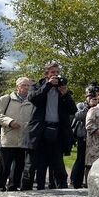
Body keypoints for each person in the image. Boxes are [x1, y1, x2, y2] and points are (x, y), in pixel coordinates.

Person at [25, 62, 77, 190]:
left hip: (57, 131)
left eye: (57, 72)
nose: (56, 75)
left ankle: (62, 189)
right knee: (33, 163)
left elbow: (72, 110)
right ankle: (27, 189)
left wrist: (65, 94)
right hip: (40, 131)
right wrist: (48, 85)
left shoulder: (63, 89)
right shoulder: (37, 86)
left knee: (58, 164)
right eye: (53, 73)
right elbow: (33, 98)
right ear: (46, 74)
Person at [0, 77, 34, 191]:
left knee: (19, 166)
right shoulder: (6, 99)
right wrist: (9, 122)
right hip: (9, 137)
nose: (26, 87)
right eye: (24, 85)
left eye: (28, 85)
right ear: (17, 86)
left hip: (23, 138)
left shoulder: (31, 101)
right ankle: (0, 187)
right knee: (4, 165)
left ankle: (13, 187)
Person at [70, 92, 98, 189]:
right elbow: (78, 116)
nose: (93, 99)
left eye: (95, 97)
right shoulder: (81, 105)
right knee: (81, 159)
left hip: (95, 137)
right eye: (90, 97)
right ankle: (75, 181)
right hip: (83, 135)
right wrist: (89, 107)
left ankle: (87, 181)